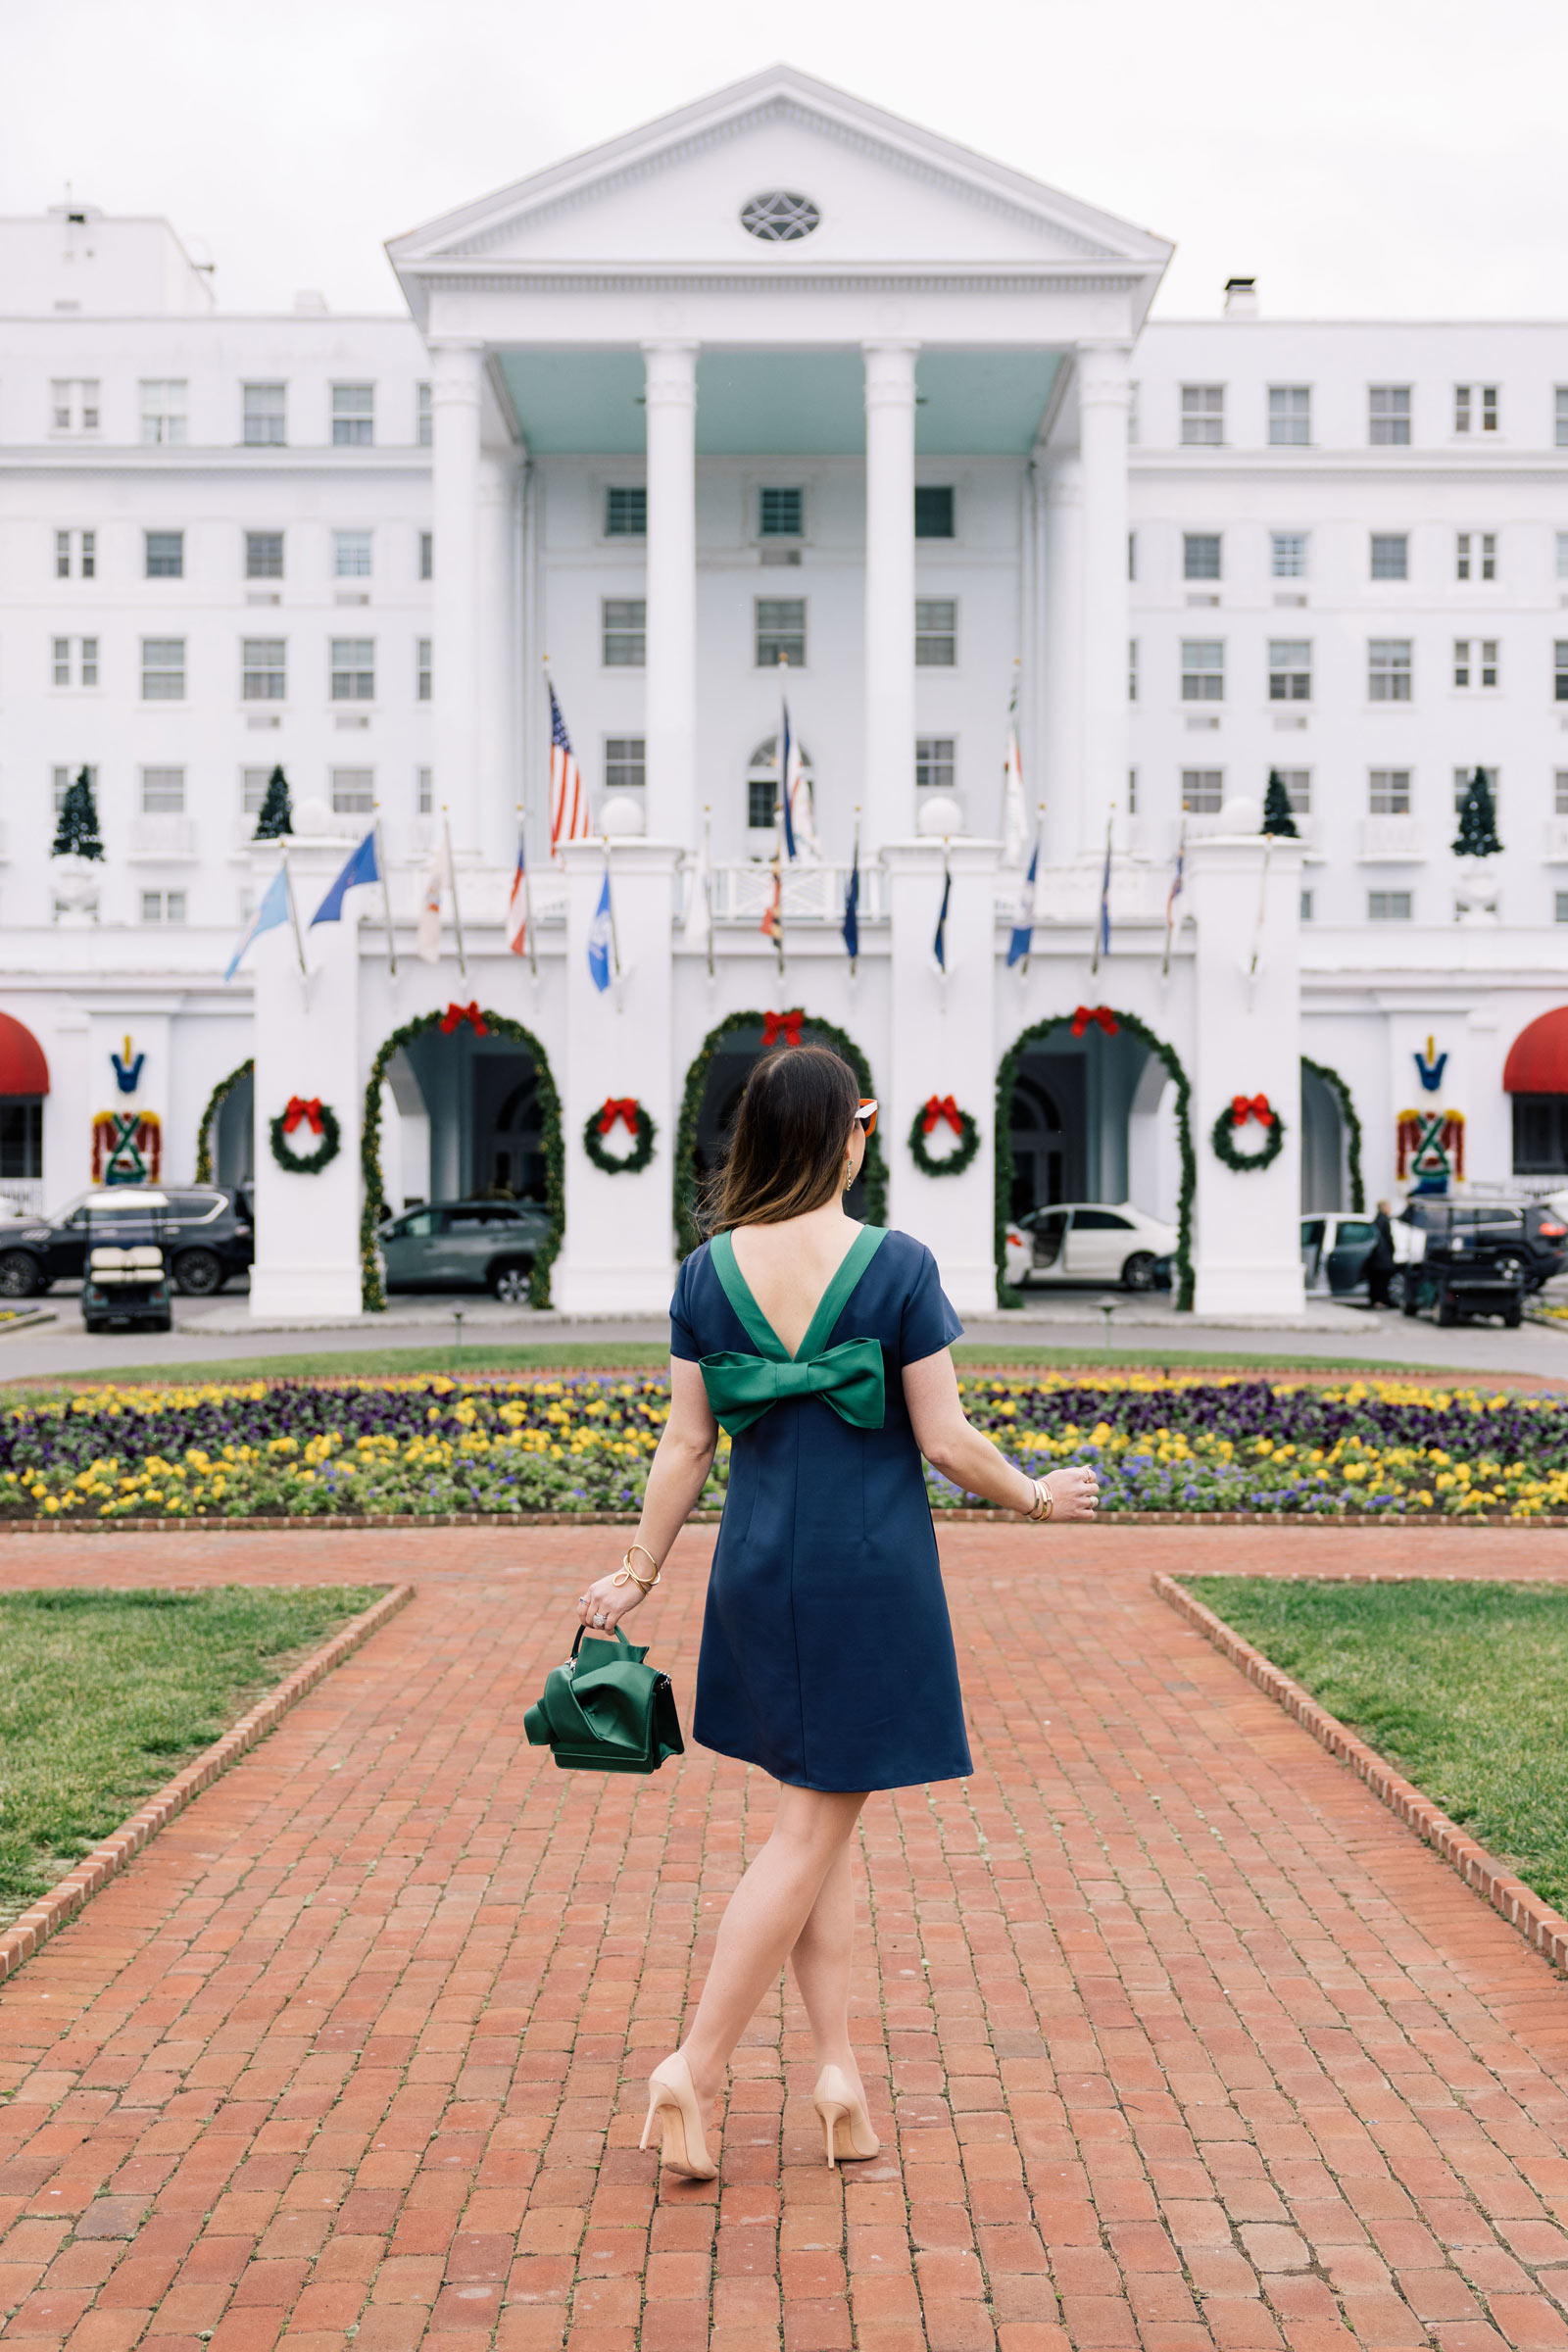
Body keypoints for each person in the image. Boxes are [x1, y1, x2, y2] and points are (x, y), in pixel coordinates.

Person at [573, 1044, 1101, 2182]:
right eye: (862, 1119)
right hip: (869, 1575)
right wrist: (1037, 1496)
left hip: (760, 1571)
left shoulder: (705, 1273)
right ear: (843, 1136)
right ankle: (694, 2066)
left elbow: (685, 1444)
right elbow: (946, 1441)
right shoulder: (896, 1264)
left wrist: (637, 1571)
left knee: (819, 1830)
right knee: (814, 1828)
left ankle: (837, 2077)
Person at [1367, 1199, 1396, 1308]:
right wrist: (1393, 1250)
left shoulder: (1376, 1220)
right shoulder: (1384, 1220)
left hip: (1376, 1256)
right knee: (1382, 1280)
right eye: (1388, 1206)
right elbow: (1388, 1238)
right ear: (1384, 1208)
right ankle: (1381, 1301)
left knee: (1376, 1280)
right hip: (1383, 1256)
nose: (1390, 1209)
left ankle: (1376, 1300)